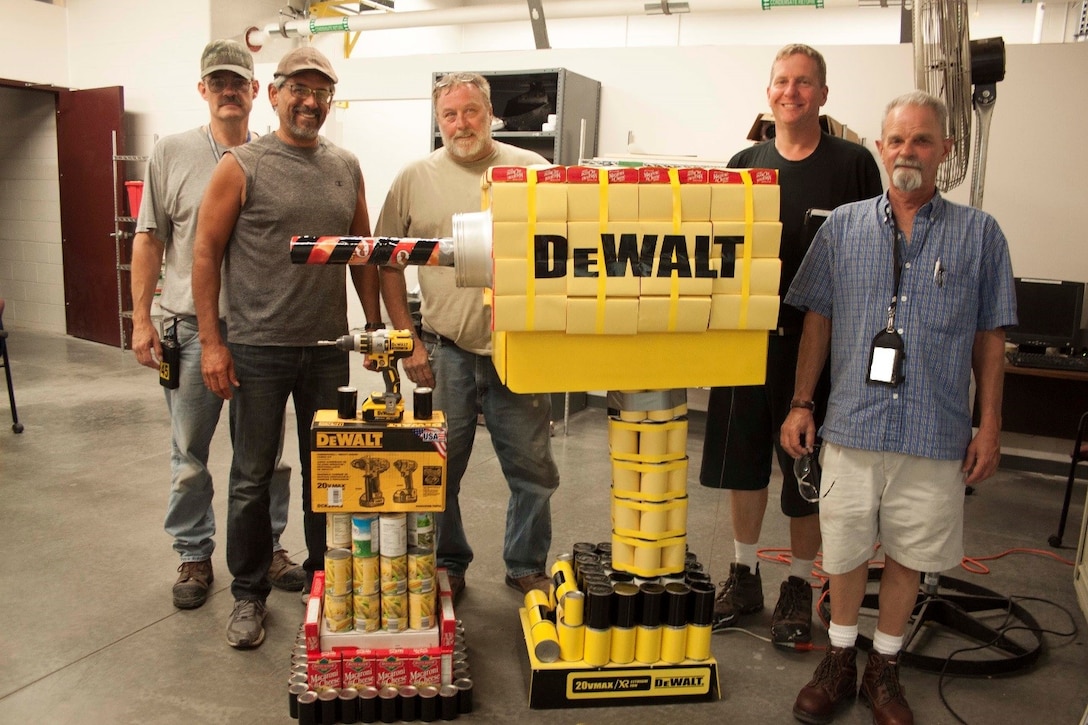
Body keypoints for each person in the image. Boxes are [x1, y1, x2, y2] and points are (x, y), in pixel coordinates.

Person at [780, 90, 1016, 724]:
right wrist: (802, 403)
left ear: (944, 150)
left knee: (910, 554)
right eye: (897, 139)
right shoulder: (842, 227)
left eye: (921, 139)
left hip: (935, 432)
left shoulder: (981, 236)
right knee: (848, 550)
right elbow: (818, 321)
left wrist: (989, 424)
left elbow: (991, 336)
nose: (907, 151)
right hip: (853, 425)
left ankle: (885, 666)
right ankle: (838, 659)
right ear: (880, 148)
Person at [191, 45, 382, 649]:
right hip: (257, 349)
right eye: (298, 89)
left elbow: (362, 251)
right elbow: (204, 253)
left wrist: (374, 329)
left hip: (326, 348)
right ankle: (248, 594)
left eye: (320, 91)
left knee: (330, 472)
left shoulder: (345, 166)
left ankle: (324, 581)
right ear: (272, 95)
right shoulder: (241, 166)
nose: (309, 101)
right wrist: (212, 343)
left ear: (330, 101)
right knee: (251, 476)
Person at [700, 44, 883, 645]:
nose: (792, 92)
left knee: (806, 472)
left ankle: (800, 584)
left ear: (823, 95)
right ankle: (744, 574)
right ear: (769, 91)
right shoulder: (742, 163)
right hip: (744, 338)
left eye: (805, 83)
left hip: (817, 344)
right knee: (742, 464)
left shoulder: (853, 164)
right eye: (782, 81)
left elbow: (872, 256)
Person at [131, 39, 304, 611]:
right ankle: (195, 552)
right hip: (185, 330)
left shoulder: (275, 156)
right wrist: (140, 319)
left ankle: (269, 545)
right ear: (203, 90)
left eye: (239, 81)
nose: (229, 91)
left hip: (259, 332)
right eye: (218, 82)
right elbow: (150, 239)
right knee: (190, 453)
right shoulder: (171, 154)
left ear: (258, 92)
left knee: (266, 457)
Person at [374, 72, 561, 601]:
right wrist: (405, 337)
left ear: (490, 114)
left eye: (471, 111)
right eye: (450, 115)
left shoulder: (532, 170)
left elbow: (566, 248)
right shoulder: (414, 177)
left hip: (518, 350)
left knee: (533, 470)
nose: (461, 124)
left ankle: (525, 564)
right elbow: (387, 261)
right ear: (439, 122)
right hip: (444, 349)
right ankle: (449, 562)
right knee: (439, 468)